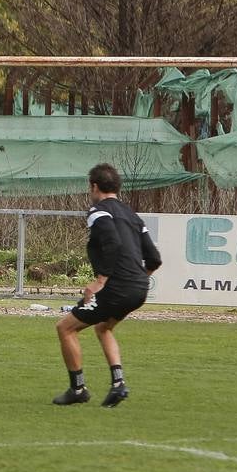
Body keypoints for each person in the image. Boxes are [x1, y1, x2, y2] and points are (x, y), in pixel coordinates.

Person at [53, 162, 162, 407]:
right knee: (103, 327)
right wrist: (137, 278)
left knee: (65, 328)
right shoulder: (132, 216)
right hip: (139, 287)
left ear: (94, 186)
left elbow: (112, 242)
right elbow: (154, 258)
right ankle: (118, 383)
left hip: (117, 286)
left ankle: (77, 389)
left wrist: (100, 281)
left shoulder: (98, 211)